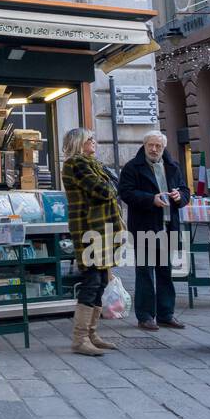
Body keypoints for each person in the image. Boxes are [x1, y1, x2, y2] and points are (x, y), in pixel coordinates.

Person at [117, 130, 189, 331]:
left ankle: (166, 314)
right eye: (151, 145)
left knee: (166, 272)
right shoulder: (133, 167)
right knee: (145, 273)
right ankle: (145, 316)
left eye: (158, 146)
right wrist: (151, 199)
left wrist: (179, 196)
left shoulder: (173, 167)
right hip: (144, 227)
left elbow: (185, 190)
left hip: (168, 226)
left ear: (164, 147)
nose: (154, 149)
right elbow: (126, 193)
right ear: (145, 145)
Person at [60, 128, 123, 357]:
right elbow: (104, 190)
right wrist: (113, 187)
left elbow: (114, 189)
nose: (94, 142)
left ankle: (91, 334)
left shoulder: (92, 164)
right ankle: (80, 338)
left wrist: (114, 187)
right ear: (78, 143)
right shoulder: (76, 163)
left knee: (101, 281)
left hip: (103, 231)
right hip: (89, 230)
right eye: (89, 139)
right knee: (92, 281)